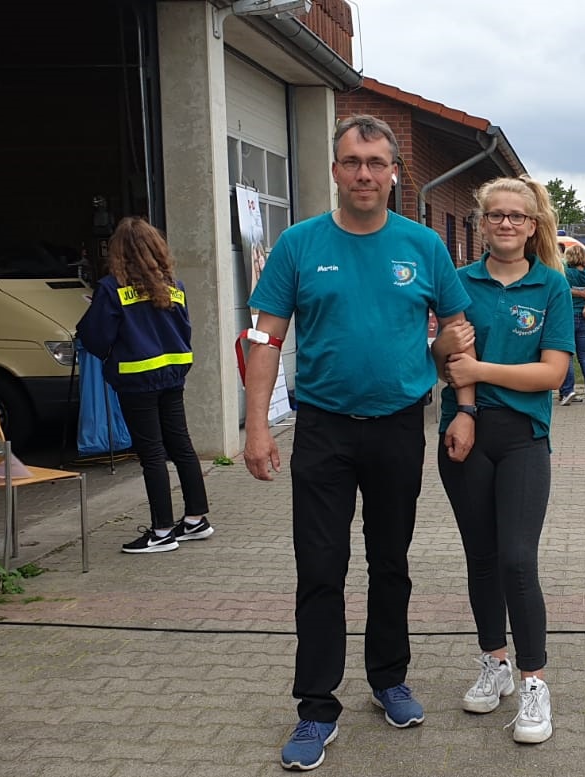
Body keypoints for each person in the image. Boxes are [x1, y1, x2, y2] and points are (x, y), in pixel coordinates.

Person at [241, 114, 472, 771]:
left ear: (395, 172)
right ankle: (316, 705)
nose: (364, 174)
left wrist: (465, 407)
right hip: (322, 429)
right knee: (320, 567)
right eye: (352, 162)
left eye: (376, 163)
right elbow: (265, 338)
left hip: (399, 426)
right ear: (336, 170)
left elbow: (456, 336)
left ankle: (388, 677)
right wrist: (256, 425)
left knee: (390, 561)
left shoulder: (423, 246)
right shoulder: (299, 244)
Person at [430, 176, 573, 744]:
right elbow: (446, 355)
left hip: (523, 438)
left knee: (517, 558)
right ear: (481, 223)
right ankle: (495, 662)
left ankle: (535, 682)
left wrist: (479, 370)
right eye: (496, 215)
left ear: (533, 225)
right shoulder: (459, 281)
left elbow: (553, 373)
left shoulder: (551, 285)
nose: (507, 224)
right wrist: (450, 362)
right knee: (482, 558)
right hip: (464, 433)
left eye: (518, 216)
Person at [76, 217, 212, 554]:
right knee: (181, 446)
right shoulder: (174, 286)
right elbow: (184, 329)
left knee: (152, 454)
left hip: (137, 379)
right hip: (173, 375)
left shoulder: (112, 289)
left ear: (119, 252)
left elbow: (95, 336)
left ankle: (162, 532)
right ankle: (196, 520)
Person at [557, 243, 585, 406]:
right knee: (584, 355)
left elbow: (563, 289)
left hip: (568, 316)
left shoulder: (567, 272)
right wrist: (584, 295)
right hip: (584, 316)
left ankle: (568, 391)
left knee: (567, 355)